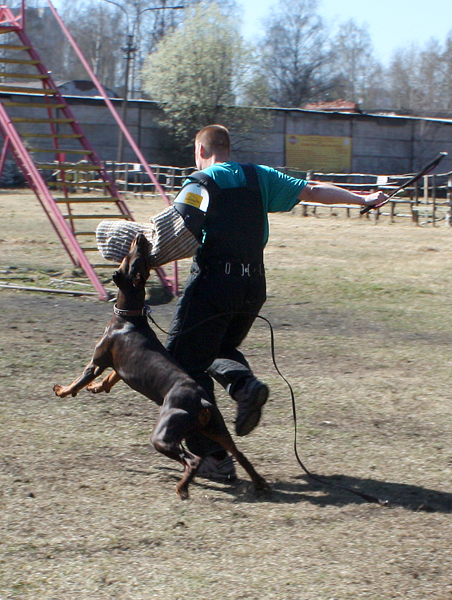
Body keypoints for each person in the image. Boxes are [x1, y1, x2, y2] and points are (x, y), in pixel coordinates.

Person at [96, 124, 387, 482]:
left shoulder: (200, 182)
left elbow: (176, 233)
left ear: (200, 151)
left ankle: (214, 456)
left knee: (182, 367)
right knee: (218, 346)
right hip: (253, 285)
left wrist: (137, 251)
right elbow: (312, 190)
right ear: (227, 149)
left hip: (214, 283)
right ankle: (243, 386)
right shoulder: (258, 176)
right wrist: (364, 199)